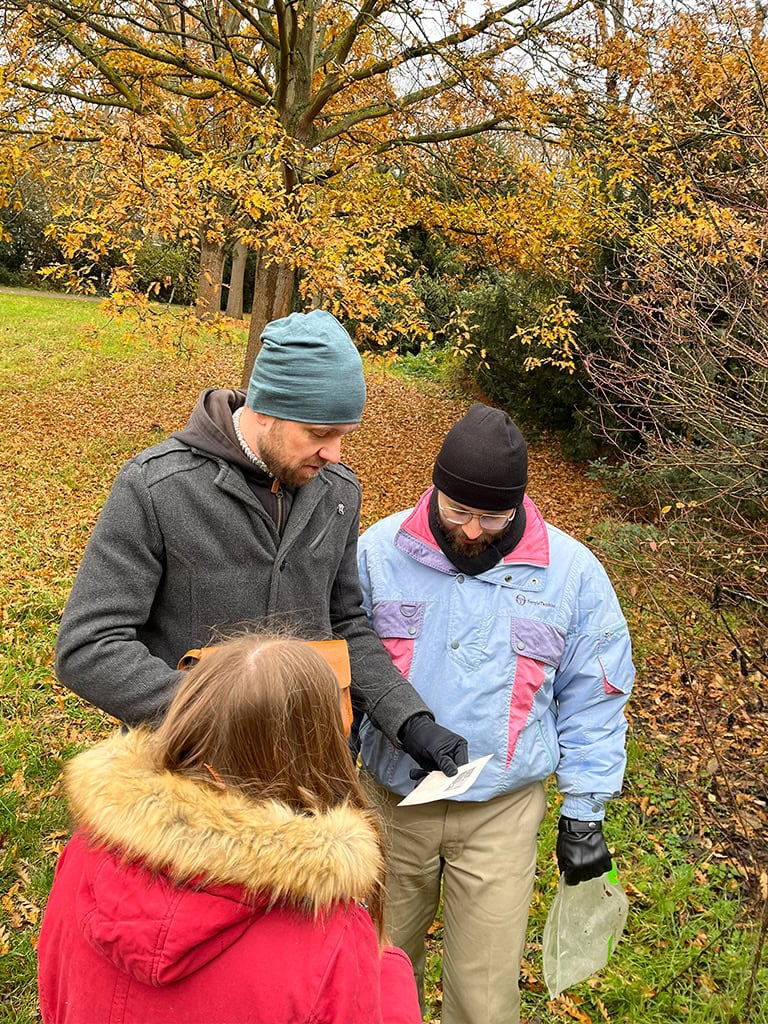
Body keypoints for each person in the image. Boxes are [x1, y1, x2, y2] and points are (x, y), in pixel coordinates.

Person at [55, 309, 467, 776]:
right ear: (266, 410)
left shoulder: (339, 493)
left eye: (343, 435)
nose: (334, 454)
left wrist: (409, 720)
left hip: (306, 777)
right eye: (319, 433)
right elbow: (88, 647)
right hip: (186, 776)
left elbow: (343, 620)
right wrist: (215, 714)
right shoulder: (157, 488)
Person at [355, 403, 635, 1024]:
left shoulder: (572, 576)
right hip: (387, 805)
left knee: (484, 1002)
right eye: (459, 511)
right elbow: (339, 668)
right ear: (435, 489)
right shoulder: (376, 554)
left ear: (519, 504)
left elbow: (596, 698)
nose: (474, 530)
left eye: (493, 515)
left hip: (500, 816)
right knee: (371, 975)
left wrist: (584, 813)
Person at [38, 633, 422, 1024]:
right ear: (318, 752)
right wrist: (386, 973)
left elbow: (55, 988)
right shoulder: (334, 938)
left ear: (190, 719)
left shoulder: (85, 854)